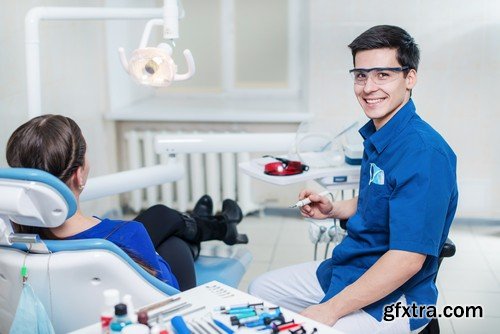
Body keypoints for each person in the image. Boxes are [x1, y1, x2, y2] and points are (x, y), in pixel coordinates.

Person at [248, 25, 458, 333]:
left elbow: (408, 259)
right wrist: (332, 209)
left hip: (398, 297)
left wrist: (329, 310)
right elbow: (382, 198)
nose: (368, 87)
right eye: (361, 75)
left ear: (409, 78)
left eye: (383, 74)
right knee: (260, 290)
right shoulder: (380, 135)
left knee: (312, 327)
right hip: (352, 268)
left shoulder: (425, 153)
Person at [6, 114, 248, 292]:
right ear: (79, 174)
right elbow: (170, 293)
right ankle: (218, 226)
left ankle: (214, 223)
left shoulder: (12, 235)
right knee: (172, 238)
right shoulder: (126, 236)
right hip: (168, 303)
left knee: (162, 217)